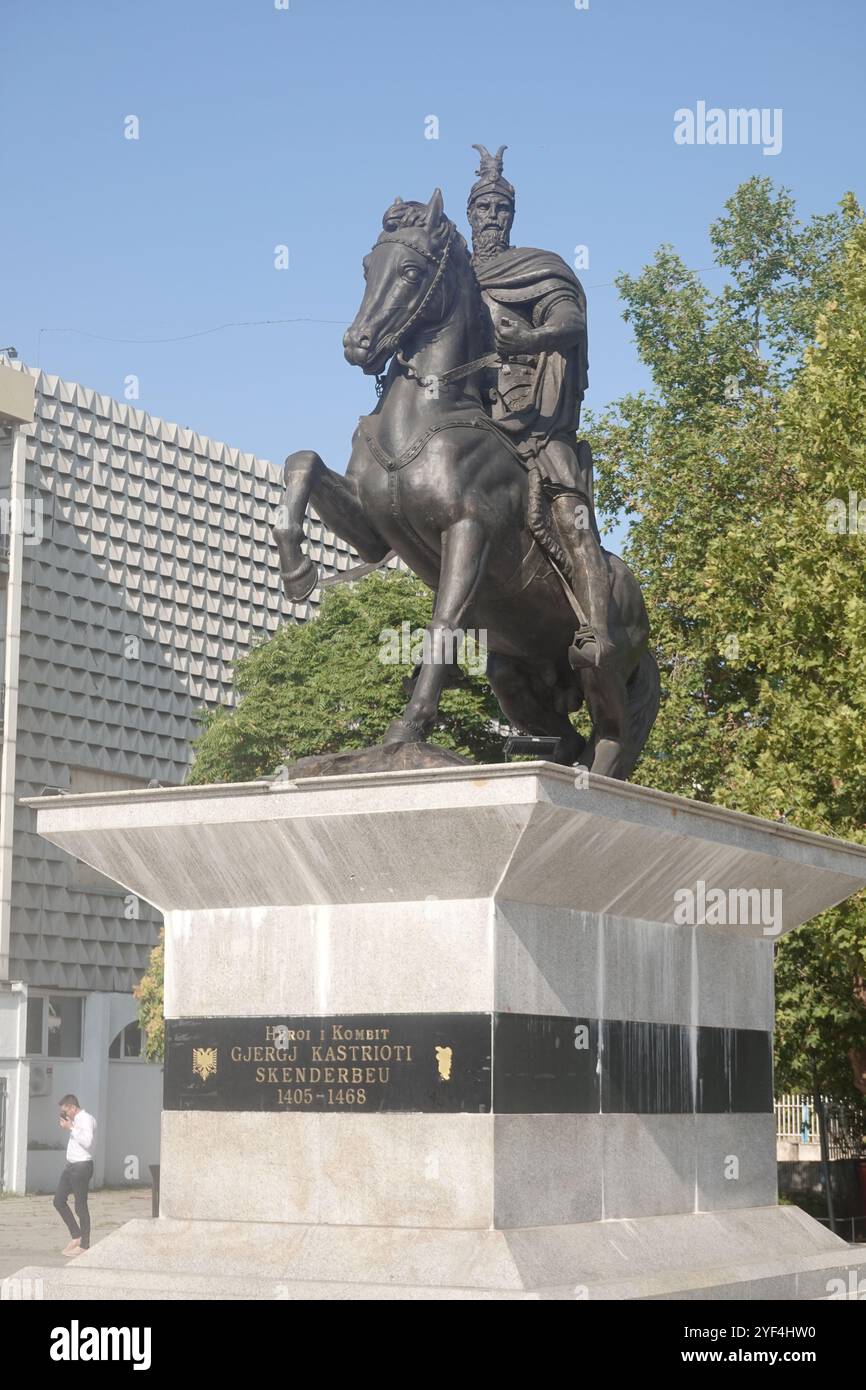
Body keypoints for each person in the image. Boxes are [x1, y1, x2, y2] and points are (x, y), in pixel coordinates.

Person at [467, 144, 615, 668]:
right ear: (469, 214)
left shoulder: (532, 268)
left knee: (568, 507)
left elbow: (569, 321)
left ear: (511, 216)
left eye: (501, 209)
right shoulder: (452, 278)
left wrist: (525, 341)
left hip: (531, 415)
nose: (492, 217)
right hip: (469, 415)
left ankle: (596, 628)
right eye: (483, 208)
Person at [53, 1093, 96, 1256]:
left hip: (82, 1166)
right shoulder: (76, 1121)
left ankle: (84, 1245)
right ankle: (76, 1236)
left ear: (72, 1107)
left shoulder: (86, 1119)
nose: (64, 1114)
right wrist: (71, 1126)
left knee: (80, 1205)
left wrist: (71, 1127)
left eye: (66, 1111)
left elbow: (88, 1141)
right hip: (70, 1166)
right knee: (58, 1201)